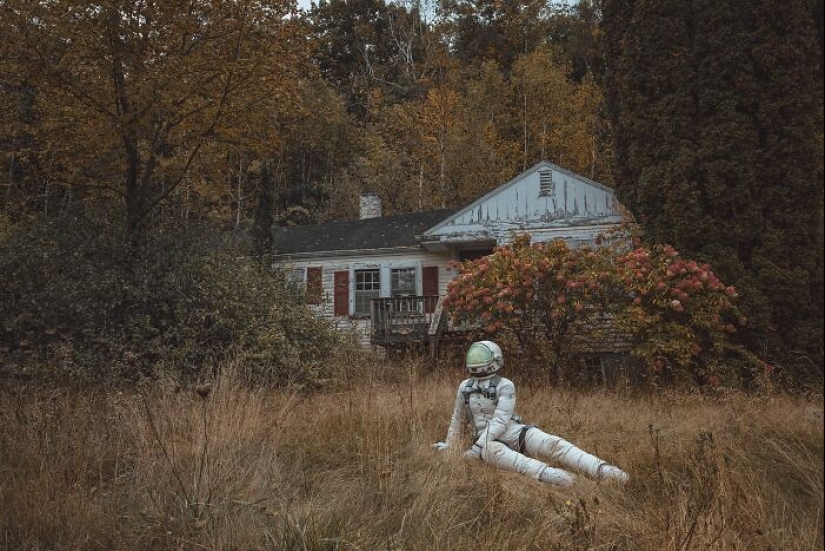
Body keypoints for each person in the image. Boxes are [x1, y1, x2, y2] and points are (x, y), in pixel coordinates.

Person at [434, 340, 628, 487]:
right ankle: (553, 476)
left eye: (480, 358)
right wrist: (451, 447)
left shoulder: (505, 385)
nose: (476, 362)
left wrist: (475, 448)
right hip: (488, 443)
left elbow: (501, 419)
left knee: (554, 443)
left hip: (513, 431)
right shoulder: (464, 387)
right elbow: (457, 419)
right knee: (493, 451)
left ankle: (603, 469)